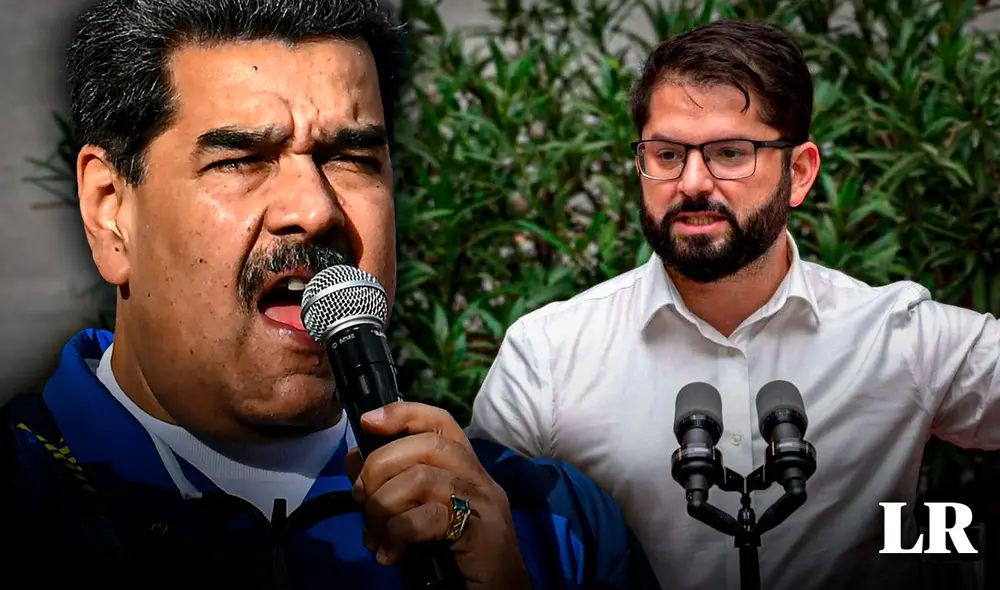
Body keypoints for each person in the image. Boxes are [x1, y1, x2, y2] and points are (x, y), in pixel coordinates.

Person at [0, 1, 660, 589]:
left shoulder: (552, 525)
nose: (314, 210)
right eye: (240, 160)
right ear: (110, 212)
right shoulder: (31, 489)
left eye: (351, 158)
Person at [467, 17, 1000, 590]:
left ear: (797, 173)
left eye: (729, 152)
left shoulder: (898, 338)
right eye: (668, 155)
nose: (693, 182)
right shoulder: (548, 355)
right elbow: (475, 537)